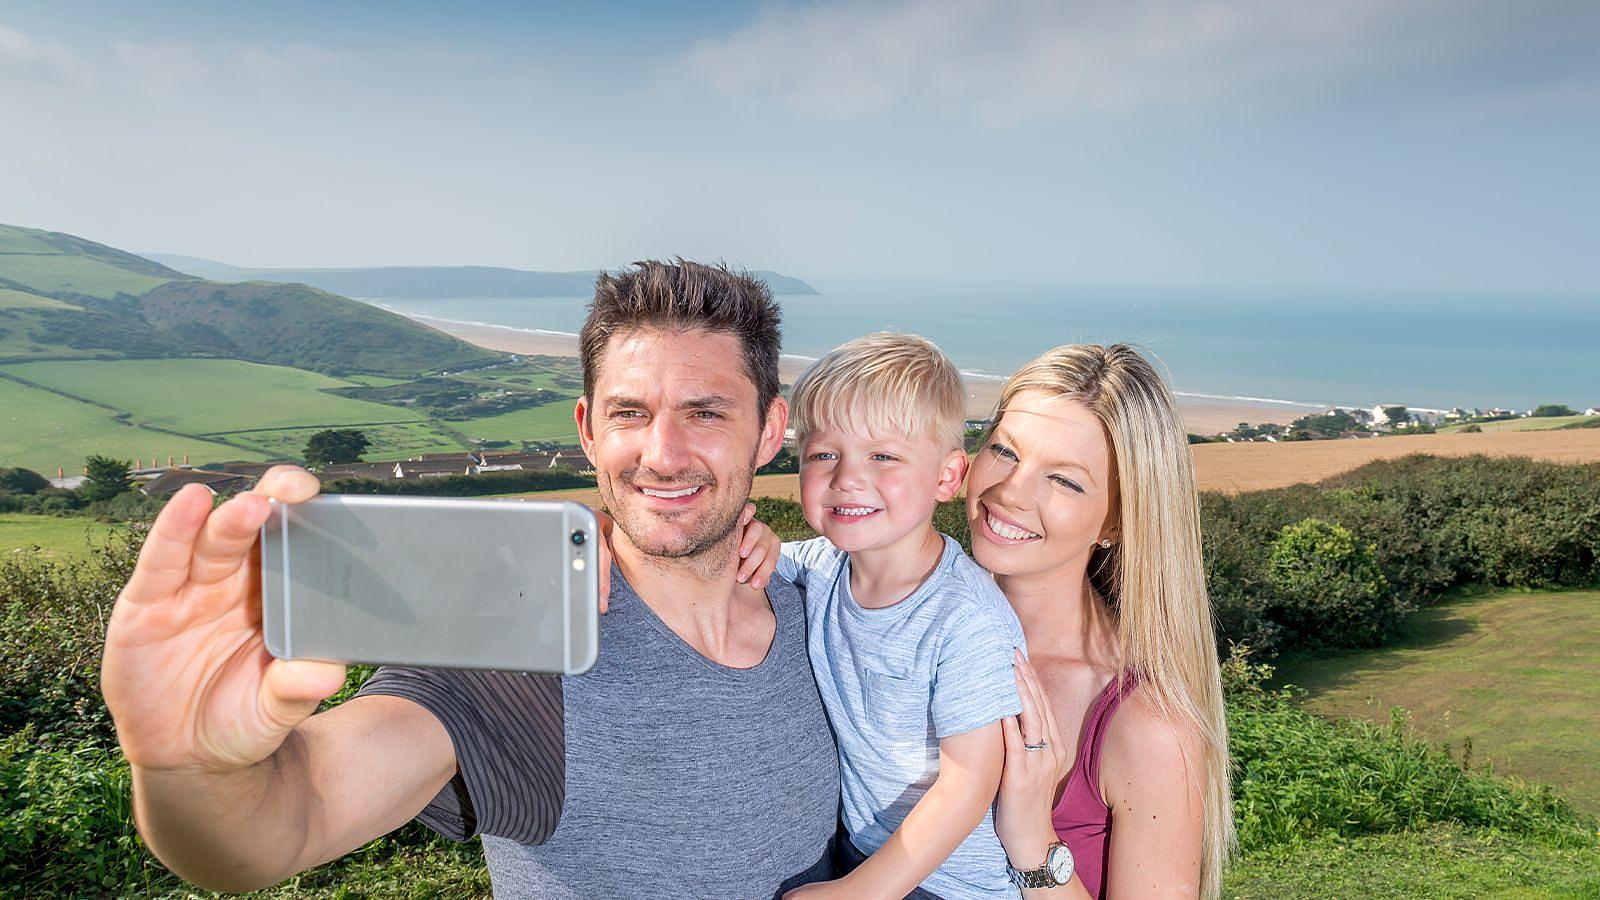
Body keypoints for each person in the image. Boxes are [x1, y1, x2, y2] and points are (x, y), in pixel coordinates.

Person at [100, 260, 842, 897]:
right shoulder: (516, 648)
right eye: (629, 413)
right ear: (589, 431)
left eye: (705, 413)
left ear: (770, 431)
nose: (663, 454)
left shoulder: (816, 607)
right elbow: (291, 820)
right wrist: (195, 768)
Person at [970, 344, 1234, 898]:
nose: (1010, 491)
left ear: (1115, 521)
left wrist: (1031, 836)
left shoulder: (1148, 726)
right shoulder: (905, 618)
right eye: (1004, 450)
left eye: (1064, 480)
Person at [776, 333, 1028, 899]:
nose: (846, 477)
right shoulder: (821, 566)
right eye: (823, 454)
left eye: (883, 456)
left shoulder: (964, 618)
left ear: (946, 477)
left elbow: (969, 782)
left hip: (951, 883)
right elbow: (744, 559)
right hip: (865, 852)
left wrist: (860, 892)